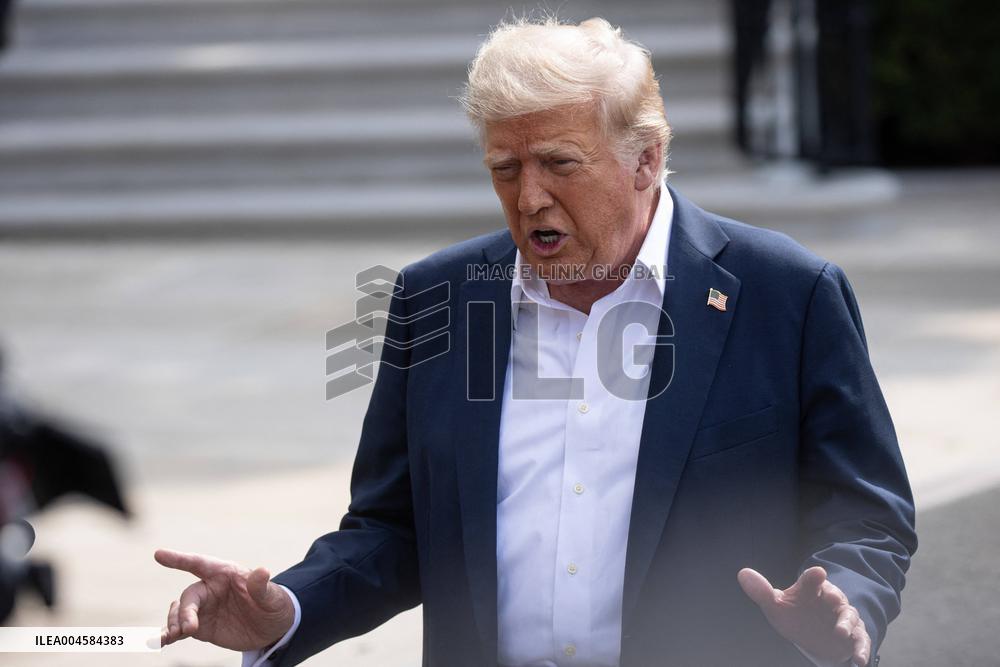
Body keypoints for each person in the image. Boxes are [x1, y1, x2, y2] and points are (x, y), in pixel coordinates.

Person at [155, 17, 916, 667]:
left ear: (646, 158)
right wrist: (287, 607)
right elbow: (392, 528)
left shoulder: (787, 293)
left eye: (560, 163)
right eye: (505, 168)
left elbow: (868, 514)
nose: (530, 198)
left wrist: (846, 597)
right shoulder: (438, 297)